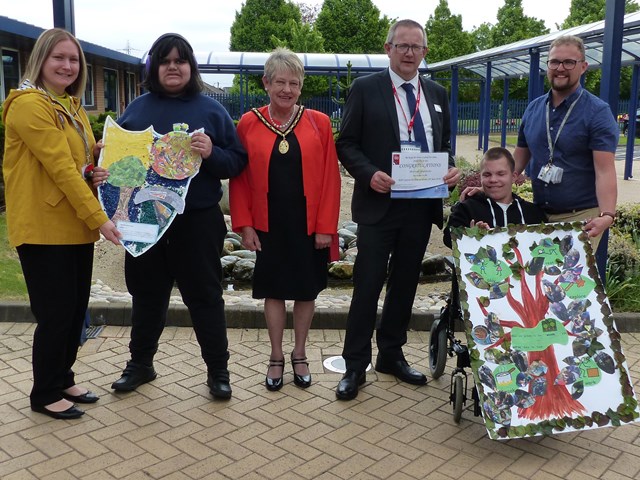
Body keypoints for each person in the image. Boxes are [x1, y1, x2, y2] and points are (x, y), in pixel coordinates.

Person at [96, 33, 247, 399]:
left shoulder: (211, 111)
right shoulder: (137, 109)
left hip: (196, 221)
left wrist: (212, 152)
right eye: (165, 61)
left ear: (190, 66)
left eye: (180, 60)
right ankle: (141, 364)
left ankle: (218, 371)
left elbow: (238, 162)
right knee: (147, 296)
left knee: (205, 297)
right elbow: (120, 168)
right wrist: (101, 164)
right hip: (144, 221)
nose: (173, 67)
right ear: (155, 68)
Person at [335, 19, 460, 401]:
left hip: (419, 208)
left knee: (404, 285)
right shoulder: (365, 89)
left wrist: (450, 167)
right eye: (402, 46)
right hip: (378, 206)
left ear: (424, 52)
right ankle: (355, 365)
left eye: (416, 47)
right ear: (388, 49)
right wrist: (369, 173)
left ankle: (391, 354)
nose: (409, 53)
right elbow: (346, 143)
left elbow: (444, 144)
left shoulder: (436, 92)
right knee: (368, 285)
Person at [2, 28, 121, 419]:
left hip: (72, 227)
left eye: (73, 60)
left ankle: (63, 375)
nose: (67, 66)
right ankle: (44, 391)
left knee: (74, 309)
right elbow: (58, 170)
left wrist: (94, 167)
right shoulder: (28, 106)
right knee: (55, 313)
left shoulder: (70, 106)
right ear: (41, 60)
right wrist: (101, 219)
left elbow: (76, 166)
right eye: (59, 58)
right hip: (43, 228)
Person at [229, 48, 341, 391]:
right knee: (274, 291)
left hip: (308, 224)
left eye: (294, 83)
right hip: (268, 223)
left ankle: (300, 353)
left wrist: (326, 227)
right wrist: (244, 224)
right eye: (280, 82)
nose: (287, 89)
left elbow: (330, 179)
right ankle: (276, 356)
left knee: (306, 291)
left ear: (301, 86)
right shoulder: (248, 122)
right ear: (266, 83)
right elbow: (240, 178)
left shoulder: (318, 123)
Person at [514, 35, 618, 257]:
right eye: (554, 62)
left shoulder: (597, 112)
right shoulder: (533, 109)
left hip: (581, 218)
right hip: (539, 215)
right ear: (548, 65)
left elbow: (605, 170)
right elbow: (517, 163)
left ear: (583, 67)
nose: (560, 68)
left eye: (568, 62)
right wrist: (487, 186)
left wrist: (607, 215)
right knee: (541, 283)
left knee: (568, 285)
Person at [447, 147, 547, 232]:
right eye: (487, 174)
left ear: (513, 177)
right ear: (480, 177)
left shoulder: (532, 213)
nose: (493, 180)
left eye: (501, 174)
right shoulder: (467, 209)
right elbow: (449, 238)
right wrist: (469, 234)